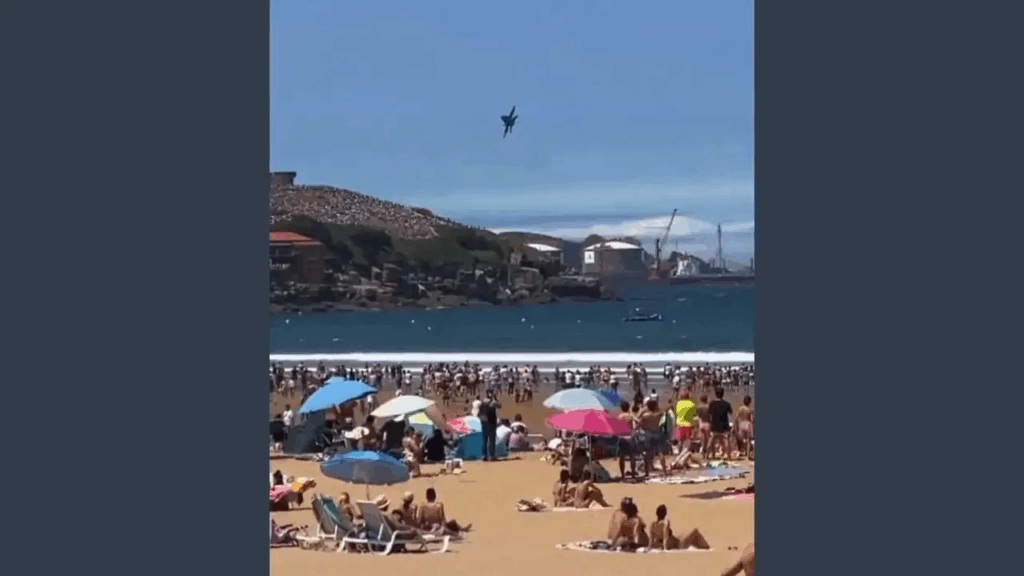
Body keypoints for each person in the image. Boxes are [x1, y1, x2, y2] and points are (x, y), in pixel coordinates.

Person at [707, 388, 733, 459]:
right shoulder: (726, 403)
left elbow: (709, 413)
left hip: (714, 424)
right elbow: (731, 412)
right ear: (723, 394)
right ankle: (727, 455)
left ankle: (707, 454)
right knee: (726, 439)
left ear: (715, 394)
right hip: (724, 425)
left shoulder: (712, 403)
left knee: (711, 439)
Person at [616, 402, 638, 479]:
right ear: (628, 408)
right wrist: (634, 429)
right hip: (630, 437)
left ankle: (622, 475)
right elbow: (638, 421)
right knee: (632, 456)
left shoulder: (619, 417)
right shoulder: (630, 416)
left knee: (622, 457)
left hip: (622, 437)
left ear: (621, 408)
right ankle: (633, 474)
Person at [480, 390, 501, 461]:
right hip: (491, 421)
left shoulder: (483, 401)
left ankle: (484, 455)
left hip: (483, 420)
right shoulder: (492, 402)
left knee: (484, 438)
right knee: (492, 438)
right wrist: (495, 398)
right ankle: (492, 455)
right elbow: (499, 405)